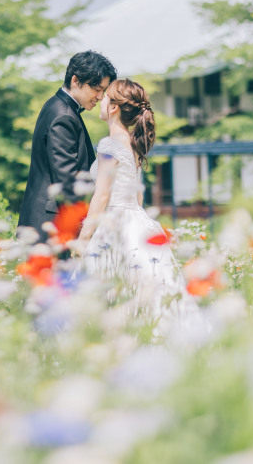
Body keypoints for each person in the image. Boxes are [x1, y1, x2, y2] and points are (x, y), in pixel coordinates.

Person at [77, 78, 201, 337]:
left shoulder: (109, 144)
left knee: (110, 287)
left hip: (115, 222)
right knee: (148, 286)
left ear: (113, 108)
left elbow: (102, 195)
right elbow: (138, 195)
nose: (100, 99)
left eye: (105, 96)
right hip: (137, 219)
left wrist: (84, 238)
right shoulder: (132, 144)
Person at [18, 51, 117, 242]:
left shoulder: (58, 106)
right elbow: (68, 181)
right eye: (96, 88)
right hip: (52, 224)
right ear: (75, 80)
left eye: (103, 90)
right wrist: (89, 224)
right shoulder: (64, 115)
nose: (100, 96)